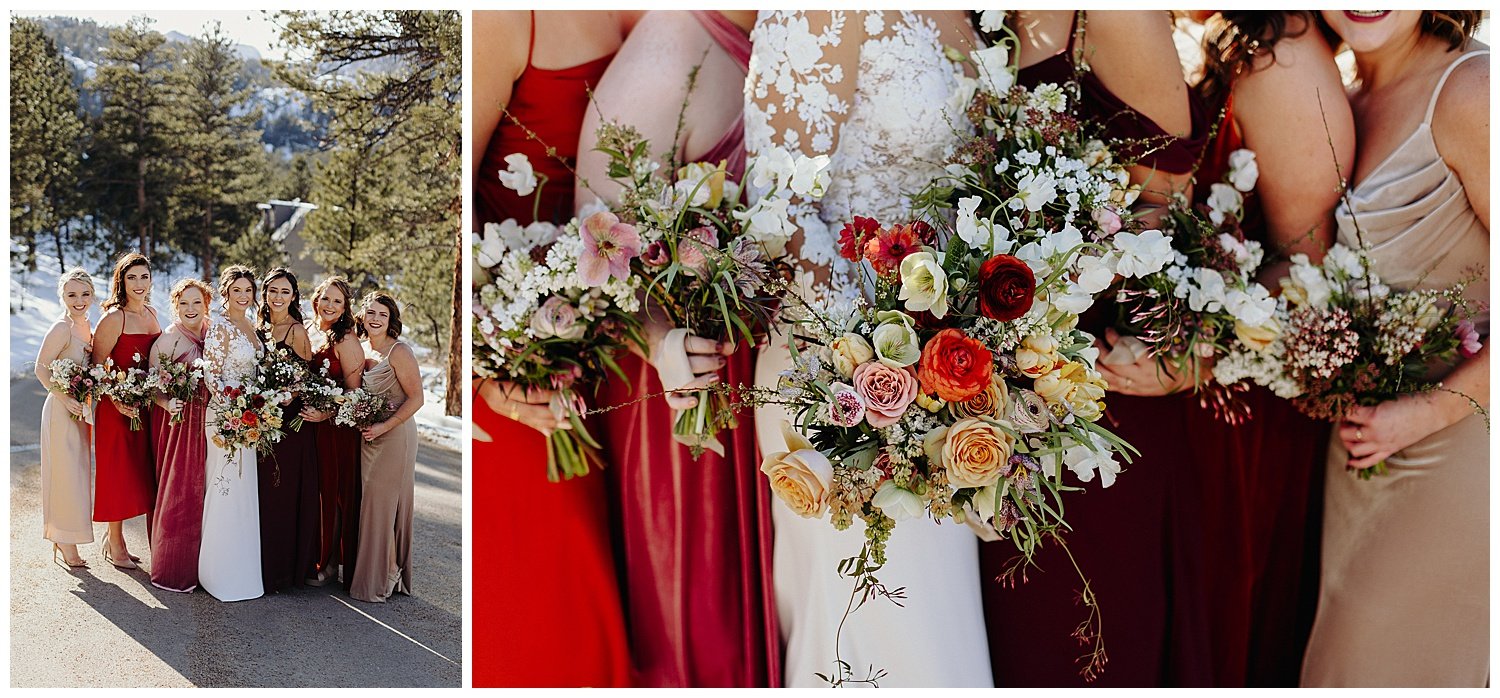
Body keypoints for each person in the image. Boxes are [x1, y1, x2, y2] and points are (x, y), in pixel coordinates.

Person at [746, 10, 994, 688]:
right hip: (843, 389)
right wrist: (873, 365)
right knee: (883, 644)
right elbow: (780, 202)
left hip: (942, 379)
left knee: (928, 641)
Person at [980, 10, 1212, 687]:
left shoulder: (1114, 17)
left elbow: (1164, 214)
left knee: (1079, 652)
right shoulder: (973, 17)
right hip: (987, 407)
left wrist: (1058, 291)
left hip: (1097, 410)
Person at [574, 10, 778, 688]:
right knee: (703, 624)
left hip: (792, 388)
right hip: (693, 397)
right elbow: (596, 244)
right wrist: (662, 339)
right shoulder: (668, 59)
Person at [1301, 10, 1488, 687]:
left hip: (1460, 446)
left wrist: (1425, 416)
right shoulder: (1341, 93)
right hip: (1361, 457)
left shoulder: (1472, 90)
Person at [471, 9, 636, 687]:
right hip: (531, 370)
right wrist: (485, 374)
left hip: (640, 358)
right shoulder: (512, 20)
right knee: (556, 620)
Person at [1189, 11, 1353, 685]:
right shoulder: (1237, 36)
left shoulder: (1283, 58)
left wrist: (1185, 359)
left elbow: (1307, 272)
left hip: (1241, 418)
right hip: (1207, 406)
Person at [349, 292, 422, 603]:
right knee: (370, 504)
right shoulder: (363, 349)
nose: (375, 319)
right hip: (370, 436)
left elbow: (417, 399)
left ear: (391, 321)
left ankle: (381, 578)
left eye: (382, 314)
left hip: (396, 435)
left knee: (382, 505)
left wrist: (384, 426)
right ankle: (383, 569)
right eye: (371, 313)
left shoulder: (399, 352)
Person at [199, 265, 265, 602]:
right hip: (225, 415)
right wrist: (231, 411)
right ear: (226, 291)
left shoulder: (251, 326)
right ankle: (217, 571)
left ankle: (243, 569)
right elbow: (212, 374)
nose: (243, 296)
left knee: (243, 490)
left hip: (250, 416)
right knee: (225, 486)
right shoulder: (220, 325)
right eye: (236, 290)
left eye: (248, 290)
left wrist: (256, 409)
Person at [91, 252, 161, 569]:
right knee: (117, 472)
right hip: (115, 407)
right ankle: (115, 542)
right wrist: (117, 399)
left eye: (144, 277)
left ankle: (115, 539)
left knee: (141, 471)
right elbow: (97, 368)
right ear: (121, 280)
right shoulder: (113, 318)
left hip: (144, 407)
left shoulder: (153, 313)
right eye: (131, 277)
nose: (138, 283)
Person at [147, 278, 214, 592]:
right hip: (182, 427)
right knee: (181, 493)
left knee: (212, 494)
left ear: (206, 305)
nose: (191, 309)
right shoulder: (168, 339)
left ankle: (210, 566)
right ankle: (175, 567)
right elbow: (151, 385)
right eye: (184, 303)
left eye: (196, 303)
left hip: (213, 423)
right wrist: (166, 401)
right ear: (175, 305)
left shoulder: (214, 333)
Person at [257, 268, 319, 592]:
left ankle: (283, 571)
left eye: (285, 292)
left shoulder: (296, 330)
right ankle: (263, 563)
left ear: (293, 297)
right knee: (264, 493)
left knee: (282, 492)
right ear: (265, 294)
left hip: (289, 422)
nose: (278, 297)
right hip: (264, 419)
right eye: (273, 291)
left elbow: (306, 377)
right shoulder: (262, 327)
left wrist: (283, 397)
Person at [303, 275, 364, 588]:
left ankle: (328, 563)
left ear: (345, 308)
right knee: (312, 492)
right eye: (325, 298)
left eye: (337, 301)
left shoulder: (347, 341)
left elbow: (355, 393)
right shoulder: (310, 330)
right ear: (316, 298)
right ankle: (310, 553)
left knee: (332, 494)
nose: (329, 305)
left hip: (336, 429)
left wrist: (326, 411)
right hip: (309, 427)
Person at [35, 268, 98, 568]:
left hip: (79, 410)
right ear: (62, 296)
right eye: (72, 294)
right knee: (65, 476)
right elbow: (41, 368)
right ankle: (63, 539)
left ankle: (67, 536)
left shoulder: (87, 325)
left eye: (85, 294)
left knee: (78, 476)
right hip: (61, 411)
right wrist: (64, 398)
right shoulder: (61, 328)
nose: (79, 300)